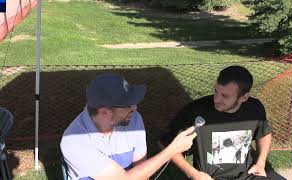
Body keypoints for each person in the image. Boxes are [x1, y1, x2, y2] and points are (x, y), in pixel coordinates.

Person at [60, 74, 197, 180]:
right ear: (105, 112)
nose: (135, 107)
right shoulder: (73, 141)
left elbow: (141, 168)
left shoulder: (133, 119)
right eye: (127, 105)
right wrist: (172, 149)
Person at [160, 66, 273, 180]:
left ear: (244, 97)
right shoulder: (195, 111)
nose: (216, 99)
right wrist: (192, 173)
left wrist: (261, 163)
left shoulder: (254, 108)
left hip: (246, 176)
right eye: (216, 91)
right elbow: (166, 144)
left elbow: (264, 132)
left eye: (225, 96)